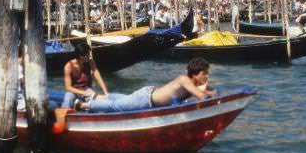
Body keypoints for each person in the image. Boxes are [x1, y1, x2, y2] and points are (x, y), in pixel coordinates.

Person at [75, 57, 217, 112]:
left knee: (122, 100)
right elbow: (202, 97)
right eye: (204, 73)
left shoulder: (192, 84)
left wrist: (208, 90)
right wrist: (207, 91)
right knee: (116, 107)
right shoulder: (184, 80)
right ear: (195, 74)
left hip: (147, 96)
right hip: (146, 100)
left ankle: (100, 97)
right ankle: (84, 105)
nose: (206, 76)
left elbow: (208, 94)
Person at [61, 43, 108, 109]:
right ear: (81, 56)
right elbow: (68, 88)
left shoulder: (90, 62)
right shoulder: (68, 66)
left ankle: (81, 105)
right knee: (68, 99)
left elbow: (98, 76)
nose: (90, 57)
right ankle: (65, 115)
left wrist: (106, 92)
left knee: (99, 101)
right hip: (74, 91)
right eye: (88, 55)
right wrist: (84, 93)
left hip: (87, 89)